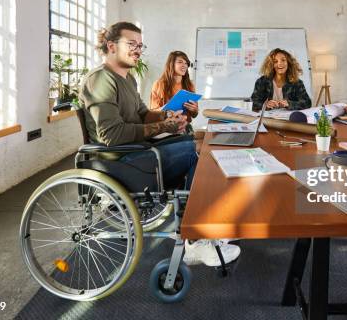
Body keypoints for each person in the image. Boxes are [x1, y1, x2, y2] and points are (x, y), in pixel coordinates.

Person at [79, 21, 240, 266]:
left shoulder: (128, 79)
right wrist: (163, 126)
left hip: (138, 152)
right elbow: (112, 135)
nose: (137, 50)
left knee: (194, 144)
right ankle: (196, 240)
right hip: (120, 161)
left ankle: (202, 226)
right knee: (193, 150)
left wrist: (166, 116)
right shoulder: (101, 80)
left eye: (140, 45)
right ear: (111, 46)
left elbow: (144, 114)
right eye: (131, 44)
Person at [150, 51, 199, 125]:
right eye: (180, 62)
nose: (184, 65)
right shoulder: (159, 84)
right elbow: (152, 113)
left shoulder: (190, 85)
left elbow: (194, 115)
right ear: (171, 64)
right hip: (166, 127)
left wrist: (195, 110)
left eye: (186, 63)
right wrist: (167, 111)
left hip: (185, 126)